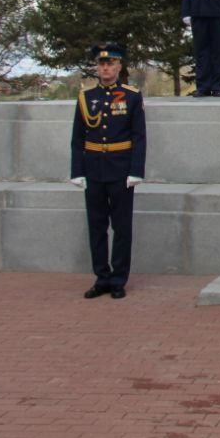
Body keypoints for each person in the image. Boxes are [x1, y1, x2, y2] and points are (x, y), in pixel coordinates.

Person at [69, 44, 145, 299]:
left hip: (121, 169)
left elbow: (139, 137)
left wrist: (136, 170)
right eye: (102, 64)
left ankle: (118, 279)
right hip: (93, 169)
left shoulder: (132, 96)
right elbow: (77, 138)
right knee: (96, 226)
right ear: (96, 68)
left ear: (119, 67)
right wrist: (77, 171)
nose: (106, 68)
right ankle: (101, 277)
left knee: (122, 228)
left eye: (111, 64)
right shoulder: (86, 97)